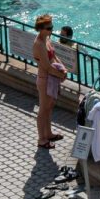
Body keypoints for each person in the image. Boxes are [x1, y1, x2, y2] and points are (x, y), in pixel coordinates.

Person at [33, 14, 66, 148]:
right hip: (45, 79)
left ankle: (49, 133)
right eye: (49, 28)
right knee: (43, 109)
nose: (51, 30)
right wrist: (60, 75)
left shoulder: (47, 39)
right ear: (41, 29)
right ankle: (41, 139)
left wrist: (63, 68)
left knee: (49, 107)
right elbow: (46, 66)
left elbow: (54, 55)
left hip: (52, 78)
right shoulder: (39, 44)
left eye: (52, 27)